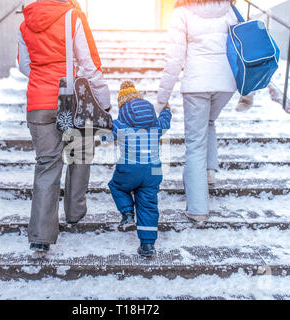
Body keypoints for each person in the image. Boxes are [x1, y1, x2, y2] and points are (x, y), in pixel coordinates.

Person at [18, 0, 111, 253]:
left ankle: (40, 235)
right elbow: (90, 65)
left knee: (47, 164)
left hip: (38, 104)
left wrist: (43, 80)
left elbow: (24, 66)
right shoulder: (73, 17)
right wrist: (104, 103)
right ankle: (74, 211)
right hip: (70, 101)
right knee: (81, 152)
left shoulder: (25, 23)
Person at [157, 0, 238, 222]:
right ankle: (209, 173)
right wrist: (247, 91)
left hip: (196, 85)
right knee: (209, 122)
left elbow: (173, 60)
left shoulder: (182, 12)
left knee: (194, 145)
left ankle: (198, 209)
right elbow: (243, 45)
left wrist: (161, 100)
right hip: (225, 83)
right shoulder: (229, 8)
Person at [107, 81, 172, 257]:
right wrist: (166, 110)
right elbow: (165, 122)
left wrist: (104, 123)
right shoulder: (156, 123)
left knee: (117, 186)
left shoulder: (120, 124)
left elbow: (105, 136)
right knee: (148, 204)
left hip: (128, 169)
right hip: (153, 171)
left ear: (122, 106)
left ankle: (127, 213)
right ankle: (147, 245)